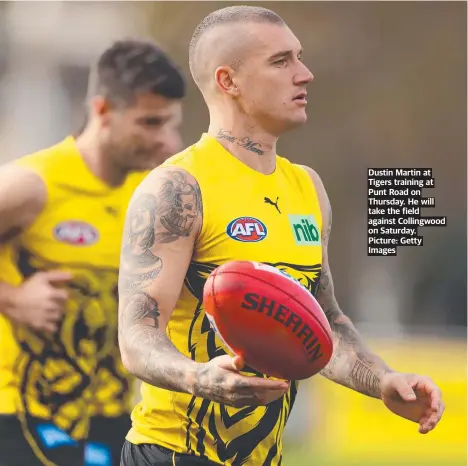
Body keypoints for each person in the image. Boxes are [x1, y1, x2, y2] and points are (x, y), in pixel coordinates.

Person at [117, 6, 445, 466]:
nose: (305, 74)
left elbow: (323, 323)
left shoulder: (307, 188)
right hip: (174, 453)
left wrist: (384, 380)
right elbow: (137, 336)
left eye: (300, 57)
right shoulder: (178, 189)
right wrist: (199, 378)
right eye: (281, 61)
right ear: (228, 81)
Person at [0, 38, 185, 466]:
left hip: (113, 418)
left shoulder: (152, 197)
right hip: (20, 416)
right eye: (150, 123)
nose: (167, 141)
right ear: (103, 111)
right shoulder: (33, 184)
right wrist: (15, 299)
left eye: (172, 124)